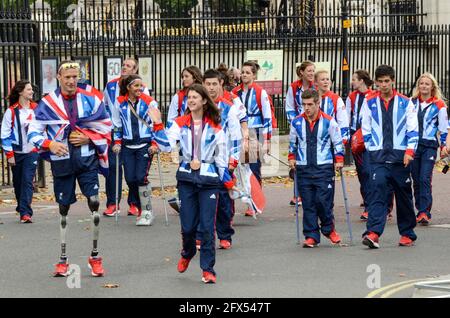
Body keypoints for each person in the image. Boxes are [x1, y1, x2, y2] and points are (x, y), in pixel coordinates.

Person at [28, 60, 112, 277]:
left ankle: (95, 256)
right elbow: (33, 132)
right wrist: (50, 144)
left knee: (94, 203)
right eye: (68, 77)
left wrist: (88, 138)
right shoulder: (47, 103)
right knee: (63, 209)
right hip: (62, 163)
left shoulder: (91, 100)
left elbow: (105, 126)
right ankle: (62, 259)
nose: (72, 81)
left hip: (87, 162)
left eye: (75, 76)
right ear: (59, 78)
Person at [148, 83, 237, 284]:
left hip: (209, 181)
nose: (191, 100)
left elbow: (221, 157)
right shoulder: (180, 123)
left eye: (195, 97)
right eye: (189, 97)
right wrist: (158, 125)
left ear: (204, 100)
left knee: (207, 228)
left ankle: (208, 269)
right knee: (188, 227)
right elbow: (165, 146)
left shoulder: (216, 126)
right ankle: (187, 252)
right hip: (187, 179)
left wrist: (228, 182)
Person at [361, 65, 419, 249]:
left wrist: (410, 151)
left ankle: (407, 233)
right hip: (378, 158)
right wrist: (371, 148)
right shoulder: (369, 102)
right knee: (377, 191)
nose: (384, 85)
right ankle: (373, 233)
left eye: (387, 81)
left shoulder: (405, 102)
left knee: (403, 194)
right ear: (376, 83)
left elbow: (413, 128)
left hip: (400, 158)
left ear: (393, 80)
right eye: (380, 82)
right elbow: (366, 127)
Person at [288, 89, 343, 248]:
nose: (307, 108)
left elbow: (338, 143)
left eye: (310, 104)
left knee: (323, 202)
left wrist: (339, 160)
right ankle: (311, 235)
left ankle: (328, 229)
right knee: (308, 204)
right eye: (304, 104)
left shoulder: (329, 121)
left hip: (323, 168)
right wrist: (292, 158)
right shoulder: (296, 122)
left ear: (318, 103)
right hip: (304, 167)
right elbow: (293, 143)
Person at [200, 69, 243, 250]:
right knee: (202, 202)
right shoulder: (196, 106)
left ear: (221, 85)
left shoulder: (229, 108)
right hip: (202, 163)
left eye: (214, 84)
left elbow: (236, 137)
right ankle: (202, 236)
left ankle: (225, 235)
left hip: (223, 164)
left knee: (224, 203)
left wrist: (232, 161)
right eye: (207, 84)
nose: (211, 88)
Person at [103, 58, 150, 217]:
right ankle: (112, 203)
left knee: (135, 174)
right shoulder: (110, 86)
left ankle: (134, 203)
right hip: (115, 132)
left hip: (137, 135)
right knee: (113, 168)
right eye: (123, 65)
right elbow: (106, 107)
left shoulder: (142, 89)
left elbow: (148, 112)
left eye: (128, 66)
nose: (124, 67)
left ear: (135, 70)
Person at [110, 74, 159, 226]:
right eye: (136, 86)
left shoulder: (150, 102)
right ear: (128, 87)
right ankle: (139, 206)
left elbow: (156, 124)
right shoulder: (119, 102)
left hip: (145, 145)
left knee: (140, 178)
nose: (140, 88)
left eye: (141, 85)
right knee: (130, 179)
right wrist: (117, 142)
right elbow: (117, 123)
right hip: (127, 146)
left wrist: (154, 143)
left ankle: (147, 210)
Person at [232, 61, 272, 216]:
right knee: (239, 168)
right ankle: (242, 197)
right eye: (242, 72)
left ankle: (254, 202)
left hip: (255, 131)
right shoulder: (235, 92)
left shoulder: (260, 92)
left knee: (253, 168)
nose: (244, 75)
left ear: (254, 75)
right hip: (240, 132)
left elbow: (267, 117)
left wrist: (267, 140)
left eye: (248, 72)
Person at [409, 73, 448, 225]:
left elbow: (444, 129)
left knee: (425, 178)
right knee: (416, 180)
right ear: (418, 86)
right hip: (413, 146)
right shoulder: (411, 103)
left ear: (432, 87)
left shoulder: (439, 105)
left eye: (427, 84)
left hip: (429, 146)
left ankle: (424, 211)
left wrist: (444, 145)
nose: (424, 86)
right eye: (421, 83)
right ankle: (420, 208)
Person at [1, 80, 38, 223]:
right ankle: (22, 206)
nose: (32, 92)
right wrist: (9, 154)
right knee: (18, 182)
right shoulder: (11, 111)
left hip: (32, 151)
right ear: (21, 92)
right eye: (29, 89)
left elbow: (44, 128)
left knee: (27, 181)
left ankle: (25, 213)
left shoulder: (36, 108)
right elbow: (5, 134)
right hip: (16, 152)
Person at [285, 60, 316, 206]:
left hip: (312, 125)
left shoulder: (315, 87)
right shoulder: (293, 87)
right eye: (309, 71)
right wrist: (295, 122)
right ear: (302, 72)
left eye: (313, 71)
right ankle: (296, 194)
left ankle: (309, 191)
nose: (311, 73)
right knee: (296, 158)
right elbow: (289, 107)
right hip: (298, 125)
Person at [347, 70, 374, 220]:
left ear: (362, 81)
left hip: (368, 138)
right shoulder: (352, 97)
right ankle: (366, 199)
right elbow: (347, 117)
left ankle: (370, 206)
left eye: (354, 79)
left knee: (368, 171)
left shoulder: (373, 96)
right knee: (362, 173)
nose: (352, 82)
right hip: (356, 139)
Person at [315, 70, 350, 144]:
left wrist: (343, 139)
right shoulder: (312, 98)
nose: (326, 82)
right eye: (322, 79)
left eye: (327, 79)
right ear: (316, 83)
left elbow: (343, 121)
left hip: (331, 140)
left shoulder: (336, 99)